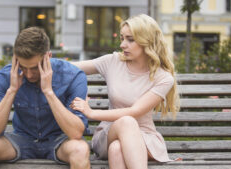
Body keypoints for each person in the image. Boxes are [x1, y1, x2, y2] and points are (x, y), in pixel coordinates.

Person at [70, 14, 180, 169]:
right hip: (110, 132)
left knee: (117, 149)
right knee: (126, 123)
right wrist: (42, 60)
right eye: (122, 38)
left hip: (145, 136)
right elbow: (70, 68)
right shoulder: (113, 61)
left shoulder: (163, 78)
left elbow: (135, 111)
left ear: (147, 41)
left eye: (130, 39)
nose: (122, 44)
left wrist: (91, 113)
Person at [0, 27, 91, 169]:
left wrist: (49, 92)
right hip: (22, 139)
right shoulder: (5, 76)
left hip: (60, 140)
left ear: (48, 56)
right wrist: (12, 90)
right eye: (23, 67)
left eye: (35, 68)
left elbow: (76, 132)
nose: (29, 75)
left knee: (80, 149)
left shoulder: (73, 76)